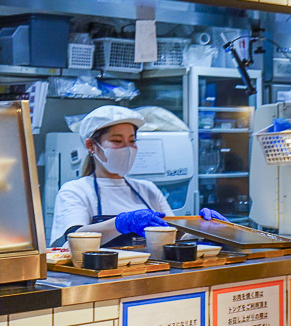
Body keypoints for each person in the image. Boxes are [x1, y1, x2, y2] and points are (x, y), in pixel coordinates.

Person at [50, 105, 226, 248]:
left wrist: (205, 230)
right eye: (117, 141)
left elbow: (172, 235)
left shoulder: (147, 189)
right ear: (91, 146)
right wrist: (121, 223)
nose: (127, 148)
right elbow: (74, 238)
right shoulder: (76, 191)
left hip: (147, 274)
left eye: (132, 141)